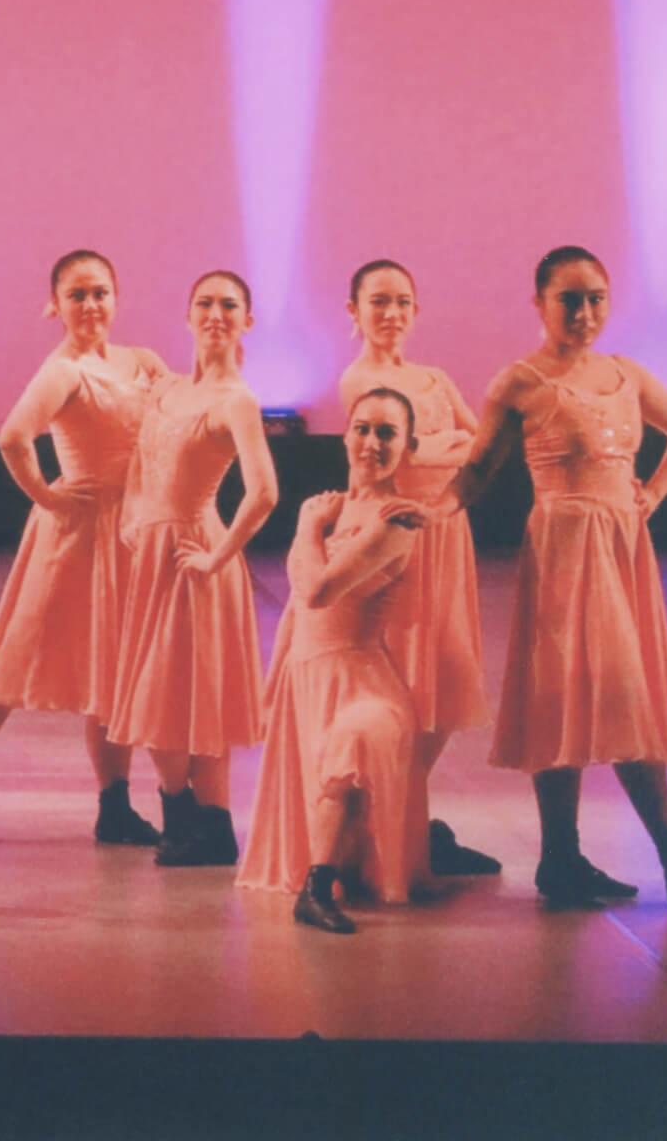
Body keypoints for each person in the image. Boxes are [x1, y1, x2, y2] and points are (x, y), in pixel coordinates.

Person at [451, 247, 667, 916]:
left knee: (625, 693)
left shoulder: (625, 374)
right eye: (569, 298)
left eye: (595, 298)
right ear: (539, 302)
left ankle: (640, 851)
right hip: (564, 554)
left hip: (622, 552)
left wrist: (651, 495)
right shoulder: (518, 382)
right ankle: (582, 855)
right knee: (562, 697)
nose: (584, 312)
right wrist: (422, 513)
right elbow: (476, 470)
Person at [0, 249, 166, 846]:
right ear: (55, 306)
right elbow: (13, 438)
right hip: (76, 531)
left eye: (100, 292)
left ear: (117, 297)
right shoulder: (63, 370)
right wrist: (49, 497)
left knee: (113, 665)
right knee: (16, 655)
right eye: (77, 295)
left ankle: (114, 806)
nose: (91, 305)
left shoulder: (143, 362)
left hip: (127, 531)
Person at [331, 258, 499, 878]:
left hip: (445, 535)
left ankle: (400, 814)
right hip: (396, 537)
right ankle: (378, 823)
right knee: (401, 680)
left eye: (402, 301)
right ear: (354, 312)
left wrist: (448, 449)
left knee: (445, 681)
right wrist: (445, 447)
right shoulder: (358, 379)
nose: (392, 313)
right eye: (379, 301)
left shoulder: (433, 377)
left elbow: (481, 444)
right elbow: (406, 452)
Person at [105, 271, 278, 867]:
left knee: (181, 693)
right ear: (187, 315)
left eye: (229, 305)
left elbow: (264, 492)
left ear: (247, 321)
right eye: (205, 302)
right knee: (172, 691)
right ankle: (204, 823)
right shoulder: (167, 389)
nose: (215, 314)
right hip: (154, 555)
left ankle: (189, 816)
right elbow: (140, 463)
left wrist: (216, 556)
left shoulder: (237, 400)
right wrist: (132, 515)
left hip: (193, 557)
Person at [237, 389, 427, 933]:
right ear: (345, 435)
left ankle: (316, 889)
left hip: (362, 679)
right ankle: (335, 870)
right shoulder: (331, 509)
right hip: (310, 677)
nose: (371, 443)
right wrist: (276, 685)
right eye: (362, 429)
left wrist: (305, 528)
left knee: (356, 741)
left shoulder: (395, 521)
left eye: (387, 433)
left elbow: (317, 590)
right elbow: (298, 607)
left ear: (407, 447)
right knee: (337, 773)